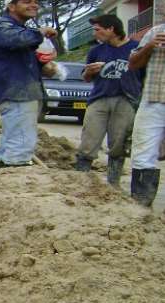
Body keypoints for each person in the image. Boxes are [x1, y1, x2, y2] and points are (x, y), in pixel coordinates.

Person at [0, 0, 58, 170]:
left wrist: (43, 67)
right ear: (11, 6)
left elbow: (19, 54)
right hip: (18, 93)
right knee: (20, 146)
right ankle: (16, 180)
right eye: (26, 1)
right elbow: (15, 40)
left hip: (19, 91)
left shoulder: (20, 29)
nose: (34, 5)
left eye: (35, 2)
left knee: (10, 141)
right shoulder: (3, 26)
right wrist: (40, 33)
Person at [75, 15, 143, 188]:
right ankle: (80, 182)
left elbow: (144, 76)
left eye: (98, 29)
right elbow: (86, 78)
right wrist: (90, 71)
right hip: (99, 99)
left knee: (118, 143)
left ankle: (113, 184)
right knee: (89, 140)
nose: (95, 33)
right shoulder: (96, 51)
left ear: (111, 29)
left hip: (127, 100)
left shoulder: (136, 48)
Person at [128, 23, 165, 207]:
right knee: (143, 152)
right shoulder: (155, 32)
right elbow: (133, 64)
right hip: (154, 99)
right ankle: (141, 205)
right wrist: (149, 46)